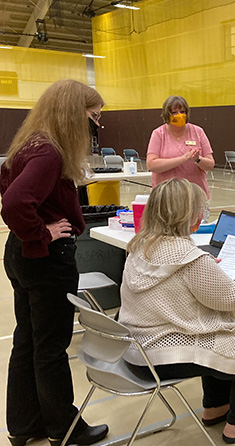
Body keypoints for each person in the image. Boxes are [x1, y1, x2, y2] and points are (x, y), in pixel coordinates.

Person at [119, 178, 235, 443]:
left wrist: (208, 269)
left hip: (134, 349)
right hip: (160, 357)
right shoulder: (190, 258)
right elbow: (233, 298)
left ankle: (216, 407)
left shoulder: (139, 247)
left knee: (220, 331)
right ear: (188, 216)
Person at [1, 79, 109, 446]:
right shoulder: (50, 152)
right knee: (50, 346)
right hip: (44, 257)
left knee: (28, 341)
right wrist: (43, 232)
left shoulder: (31, 143)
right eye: (93, 117)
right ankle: (64, 427)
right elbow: (14, 202)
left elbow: (5, 180)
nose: (94, 126)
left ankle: (24, 424)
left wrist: (34, 230)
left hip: (20, 254)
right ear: (73, 113)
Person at [146, 95, 215, 222]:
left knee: (197, 233)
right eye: (174, 112)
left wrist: (198, 159)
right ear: (167, 114)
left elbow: (210, 164)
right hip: (166, 197)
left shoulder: (198, 132)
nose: (179, 115)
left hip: (195, 196)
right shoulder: (158, 134)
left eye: (182, 112)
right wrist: (181, 159)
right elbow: (151, 164)